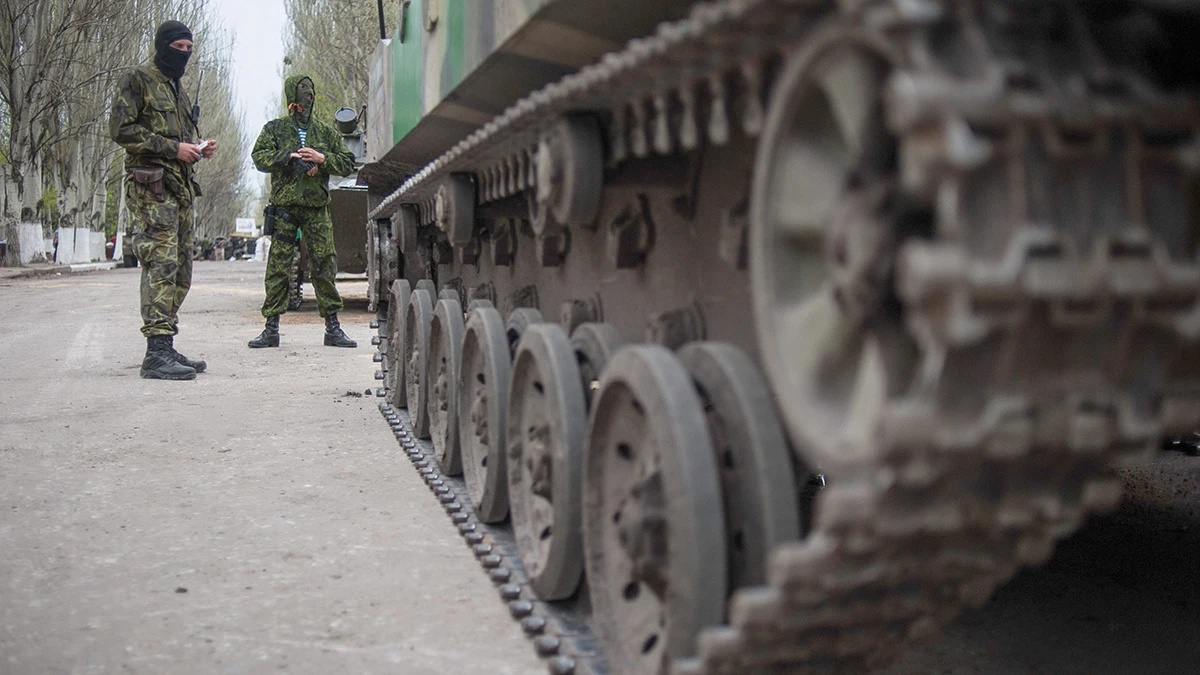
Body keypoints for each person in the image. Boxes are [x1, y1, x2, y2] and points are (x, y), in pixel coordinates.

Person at [109, 20, 218, 380]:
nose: (184, 54)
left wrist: (198, 149)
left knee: (182, 270)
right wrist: (174, 148)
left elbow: (180, 139)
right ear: (163, 45)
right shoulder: (137, 79)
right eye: (179, 48)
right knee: (161, 263)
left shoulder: (176, 88)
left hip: (179, 188)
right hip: (151, 187)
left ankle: (166, 343)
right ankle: (155, 351)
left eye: (189, 49)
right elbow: (121, 130)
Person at [247, 74, 356, 349]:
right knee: (278, 269)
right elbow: (259, 157)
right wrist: (287, 157)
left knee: (324, 265)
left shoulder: (326, 133)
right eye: (300, 91)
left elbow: (346, 163)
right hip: (285, 210)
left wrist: (322, 159)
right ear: (290, 96)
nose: (306, 96)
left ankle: (333, 327)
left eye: (309, 91)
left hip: (316, 209)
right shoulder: (275, 129)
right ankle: (271, 328)